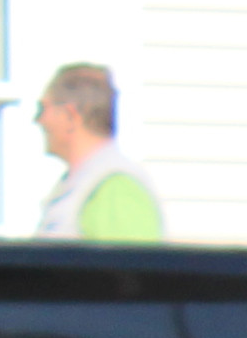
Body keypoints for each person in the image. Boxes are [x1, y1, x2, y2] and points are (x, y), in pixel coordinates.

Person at [29, 62, 166, 241]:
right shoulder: (86, 184)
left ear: (70, 115)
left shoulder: (116, 189)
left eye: (43, 108)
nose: (38, 120)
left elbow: (133, 266)